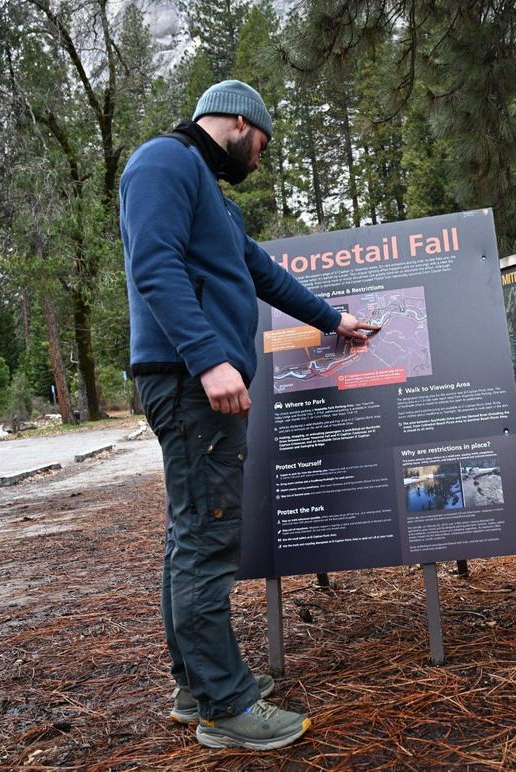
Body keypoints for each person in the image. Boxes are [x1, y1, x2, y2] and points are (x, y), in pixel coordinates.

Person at [121, 79, 377, 751]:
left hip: (195, 381)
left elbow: (262, 273)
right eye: (261, 143)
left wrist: (335, 320)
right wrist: (209, 359)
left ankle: (198, 684)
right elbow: (154, 264)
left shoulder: (212, 195)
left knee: (192, 533)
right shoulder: (163, 161)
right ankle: (225, 708)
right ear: (239, 123)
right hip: (188, 382)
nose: (259, 158)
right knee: (209, 537)